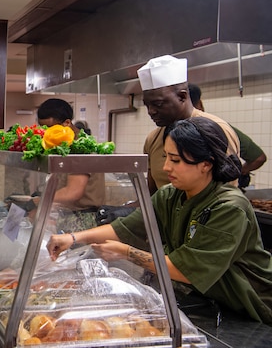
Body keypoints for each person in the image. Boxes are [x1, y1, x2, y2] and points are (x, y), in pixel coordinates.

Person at [47, 117, 272, 324]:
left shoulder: (229, 208)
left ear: (206, 163)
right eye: (166, 157)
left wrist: (126, 253)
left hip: (252, 308)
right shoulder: (170, 195)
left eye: (175, 160)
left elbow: (186, 271)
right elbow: (124, 228)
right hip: (213, 301)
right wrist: (73, 238)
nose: (166, 168)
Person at [139, 55, 240, 195]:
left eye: (158, 104)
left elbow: (225, 192)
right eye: (147, 105)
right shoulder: (153, 138)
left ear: (182, 97)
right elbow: (151, 193)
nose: (151, 112)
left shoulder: (216, 130)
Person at [34, 98, 105, 232]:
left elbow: (73, 192)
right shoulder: (62, 144)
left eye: (50, 128)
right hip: (66, 214)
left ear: (67, 123)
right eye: (42, 128)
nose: (46, 133)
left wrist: (39, 200)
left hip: (84, 219)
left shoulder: (81, 147)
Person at [188, 83, 267, 189]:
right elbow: (258, 158)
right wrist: (241, 171)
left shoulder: (166, 131)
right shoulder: (219, 126)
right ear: (200, 103)